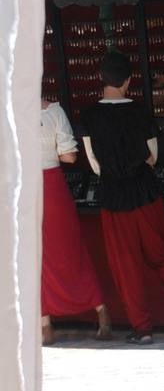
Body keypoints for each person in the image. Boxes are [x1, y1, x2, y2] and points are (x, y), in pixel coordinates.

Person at [82, 50, 164, 345]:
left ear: (102, 79)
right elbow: (153, 156)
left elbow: (95, 164)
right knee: (160, 255)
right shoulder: (141, 112)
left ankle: (143, 329)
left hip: (114, 197)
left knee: (125, 266)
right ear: (128, 81)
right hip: (147, 192)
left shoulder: (89, 116)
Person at [39, 98, 111, 345]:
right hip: (51, 185)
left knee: (36, 257)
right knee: (71, 252)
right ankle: (101, 312)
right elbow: (69, 156)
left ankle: (45, 325)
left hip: (23, 187)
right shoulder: (54, 111)